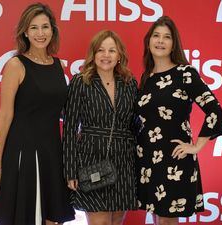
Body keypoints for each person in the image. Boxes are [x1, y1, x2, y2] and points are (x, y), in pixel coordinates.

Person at [0, 3, 75, 225]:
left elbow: (63, 111)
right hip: (22, 153)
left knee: (51, 219)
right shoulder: (15, 65)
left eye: (45, 27)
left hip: (52, 152)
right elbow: (5, 115)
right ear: (25, 32)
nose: (40, 33)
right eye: (34, 28)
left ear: (52, 30)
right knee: (24, 217)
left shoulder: (58, 65)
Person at [135, 16, 222, 225]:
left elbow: (214, 109)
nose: (160, 41)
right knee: (158, 218)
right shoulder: (146, 77)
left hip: (174, 159)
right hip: (148, 159)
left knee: (168, 220)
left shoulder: (185, 73)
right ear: (148, 41)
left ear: (174, 43)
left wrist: (196, 146)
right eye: (156, 36)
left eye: (166, 37)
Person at [63, 30, 138, 225]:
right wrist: (70, 170)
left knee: (115, 221)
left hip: (124, 161)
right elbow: (70, 128)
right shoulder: (81, 82)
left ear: (119, 55)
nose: (106, 55)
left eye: (112, 50)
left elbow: (135, 125)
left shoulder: (129, 83)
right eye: (101, 50)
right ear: (93, 54)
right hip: (91, 160)